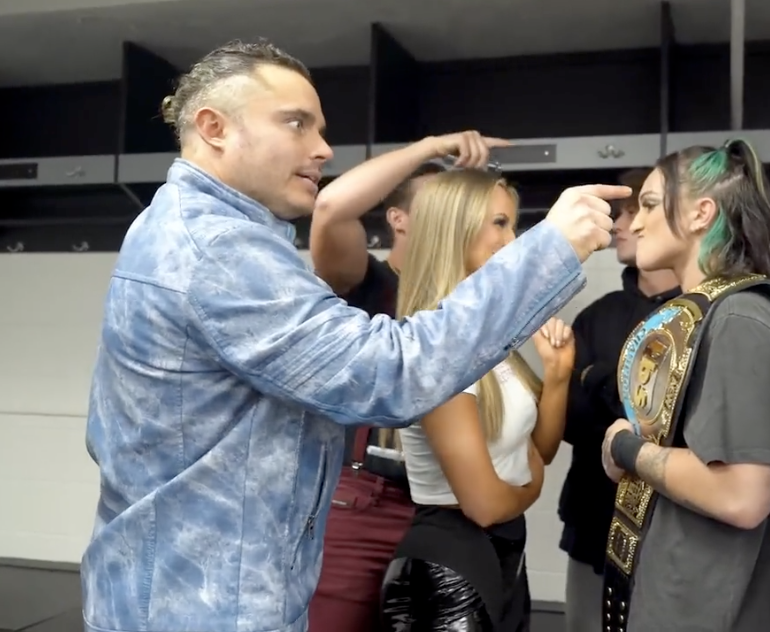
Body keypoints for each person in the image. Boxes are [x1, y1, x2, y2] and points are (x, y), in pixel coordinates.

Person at [80, 39, 627, 632]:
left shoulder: (199, 230)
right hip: (198, 610)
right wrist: (551, 248)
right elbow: (390, 373)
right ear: (215, 128)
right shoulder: (217, 249)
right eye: (296, 123)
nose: (322, 148)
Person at [598, 140, 770, 632]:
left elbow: (742, 495)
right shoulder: (713, 311)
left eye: (649, 205)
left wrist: (625, 448)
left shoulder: (741, 318)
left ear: (702, 213)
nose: (635, 223)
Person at [378, 169, 574, 631]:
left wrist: (558, 376)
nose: (512, 240)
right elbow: (485, 503)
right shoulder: (439, 349)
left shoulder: (486, 339)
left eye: (513, 225)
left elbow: (537, 451)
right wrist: (532, 488)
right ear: (455, 229)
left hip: (503, 557)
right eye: (499, 223)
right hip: (449, 567)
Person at [307, 136, 466, 631]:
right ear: (399, 219)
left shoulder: (467, 302)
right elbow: (331, 210)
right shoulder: (368, 284)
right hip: (364, 501)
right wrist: (430, 147)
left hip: (447, 511)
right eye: (436, 207)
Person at [555, 167, 680, 632]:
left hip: (671, 533)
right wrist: (622, 398)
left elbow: (675, 425)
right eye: (621, 213)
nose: (622, 225)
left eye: (635, 210)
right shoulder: (598, 314)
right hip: (593, 526)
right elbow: (571, 422)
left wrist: (600, 378)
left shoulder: (703, 313)